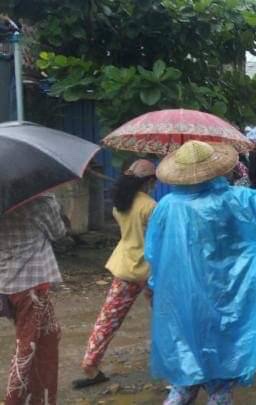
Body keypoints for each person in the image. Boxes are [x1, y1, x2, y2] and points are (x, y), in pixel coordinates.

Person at [144, 128, 256, 404]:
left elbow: (155, 254)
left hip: (181, 303)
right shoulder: (233, 200)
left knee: (185, 377)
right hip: (224, 301)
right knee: (220, 381)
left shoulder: (166, 206)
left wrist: (154, 289)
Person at [72, 160, 157, 389]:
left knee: (108, 319)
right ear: (149, 182)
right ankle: (174, 367)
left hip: (125, 266)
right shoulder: (150, 206)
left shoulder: (120, 204)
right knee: (166, 319)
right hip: (151, 270)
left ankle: (90, 366)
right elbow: (157, 240)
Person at [0, 193, 65, 405]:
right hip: (32, 288)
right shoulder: (42, 202)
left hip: (9, 285)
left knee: (48, 339)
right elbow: (59, 232)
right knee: (27, 348)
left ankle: (39, 399)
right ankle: (14, 400)